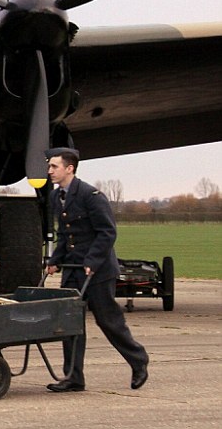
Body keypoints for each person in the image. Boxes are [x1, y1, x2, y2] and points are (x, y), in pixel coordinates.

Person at [44, 147, 149, 392]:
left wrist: (92, 260)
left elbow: (107, 232)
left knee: (108, 321)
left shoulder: (91, 195)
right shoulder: (55, 196)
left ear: (69, 168)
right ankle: (73, 377)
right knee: (70, 323)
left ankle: (138, 359)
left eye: (54, 166)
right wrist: (54, 260)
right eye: (49, 166)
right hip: (73, 270)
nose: (49, 171)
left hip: (98, 270)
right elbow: (65, 234)